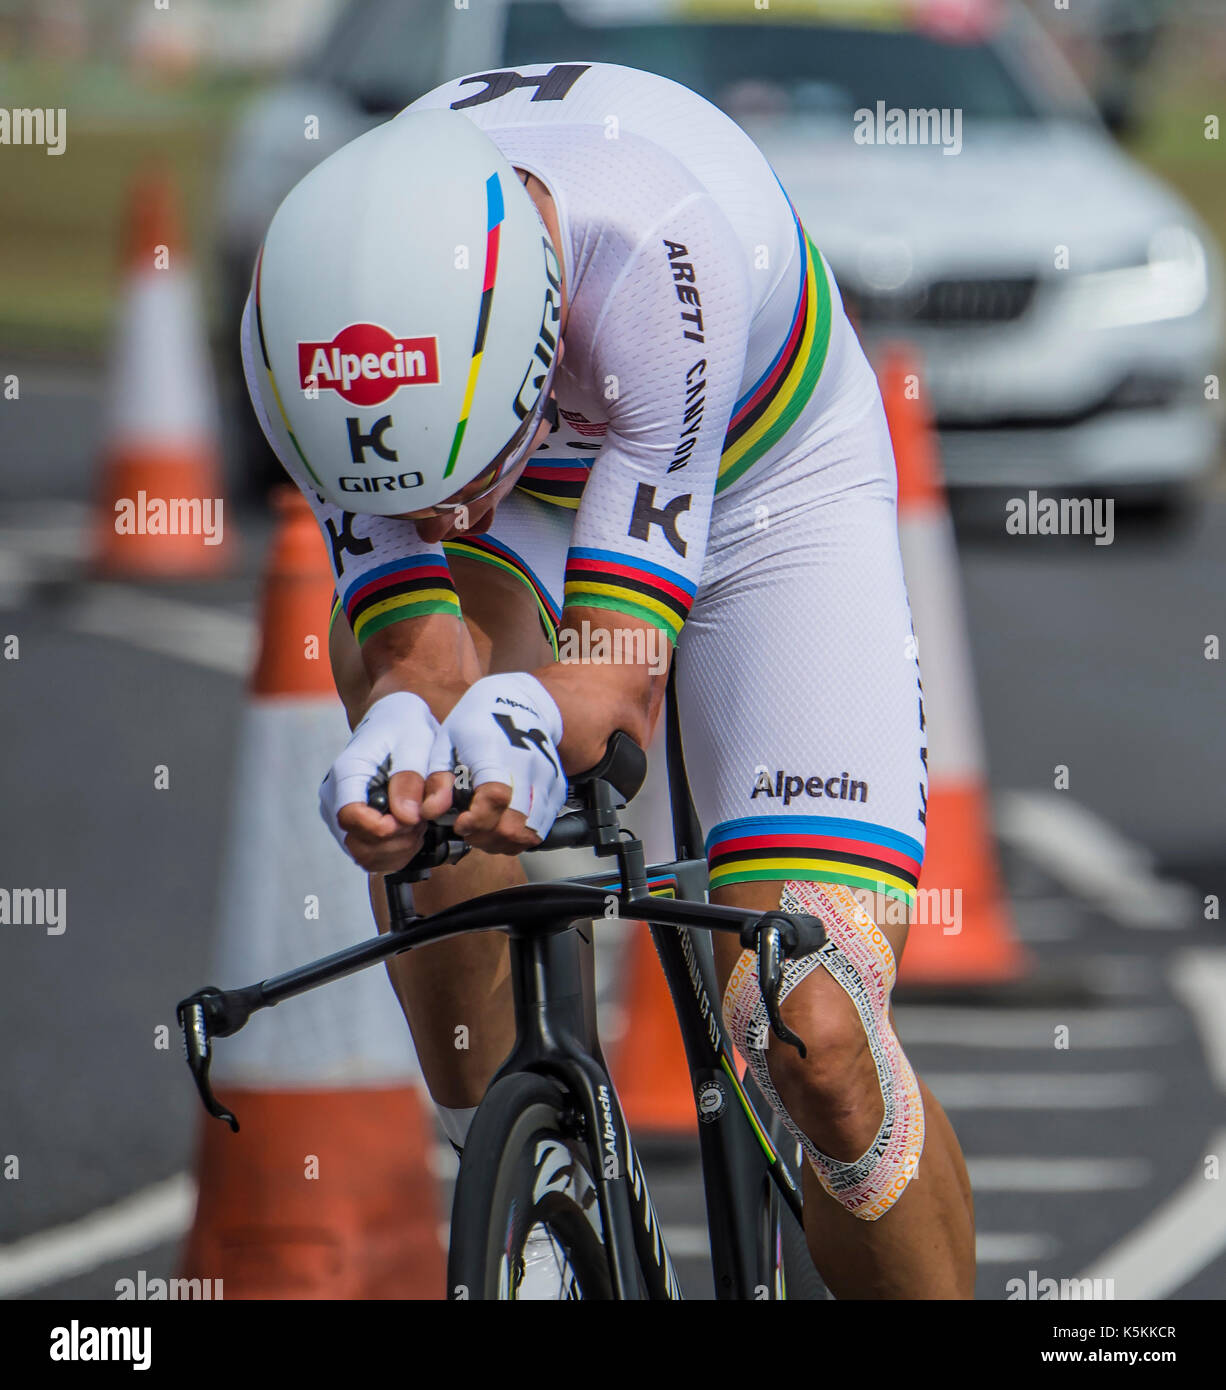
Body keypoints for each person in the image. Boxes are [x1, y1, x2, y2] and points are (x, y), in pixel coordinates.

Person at [243, 60, 974, 1299]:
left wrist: (530, 714)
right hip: (528, 485)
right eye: (416, 497)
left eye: (447, 485)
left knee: (811, 1032)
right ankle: (528, 1179)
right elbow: (413, 645)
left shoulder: (653, 251)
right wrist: (402, 742)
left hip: (762, 489)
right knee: (429, 784)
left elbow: (612, 679)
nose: (435, 515)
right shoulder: (312, 326)